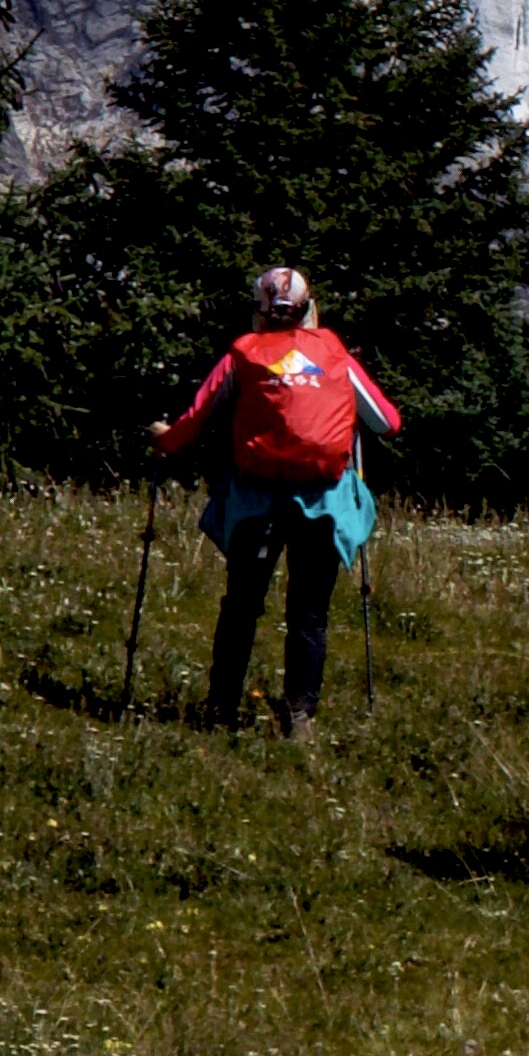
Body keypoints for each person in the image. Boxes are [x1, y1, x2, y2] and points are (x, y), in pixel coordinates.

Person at [146, 266, 399, 740]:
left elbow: (196, 420)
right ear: (307, 310)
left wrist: (163, 440)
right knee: (309, 614)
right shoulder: (335, 352)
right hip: (322, 502)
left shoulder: (243, 353)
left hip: (257, 501)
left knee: (241, 607)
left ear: (259, 311)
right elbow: (387, 422)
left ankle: (220, 711)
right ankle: (300, 718)